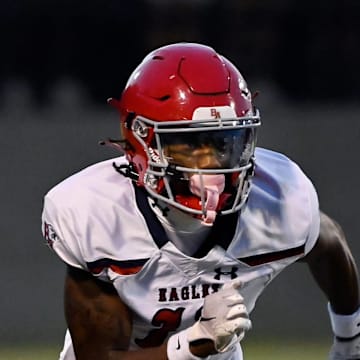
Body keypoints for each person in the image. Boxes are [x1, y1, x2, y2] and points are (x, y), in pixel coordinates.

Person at [41, 42, 360, 360]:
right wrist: (194, 344)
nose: (213, 163)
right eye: (190, 143)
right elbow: (99, 356)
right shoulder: (98, 213)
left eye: (224, 142)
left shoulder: (280, 198)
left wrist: (350, 342)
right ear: (142, 140)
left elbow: (329, 244)